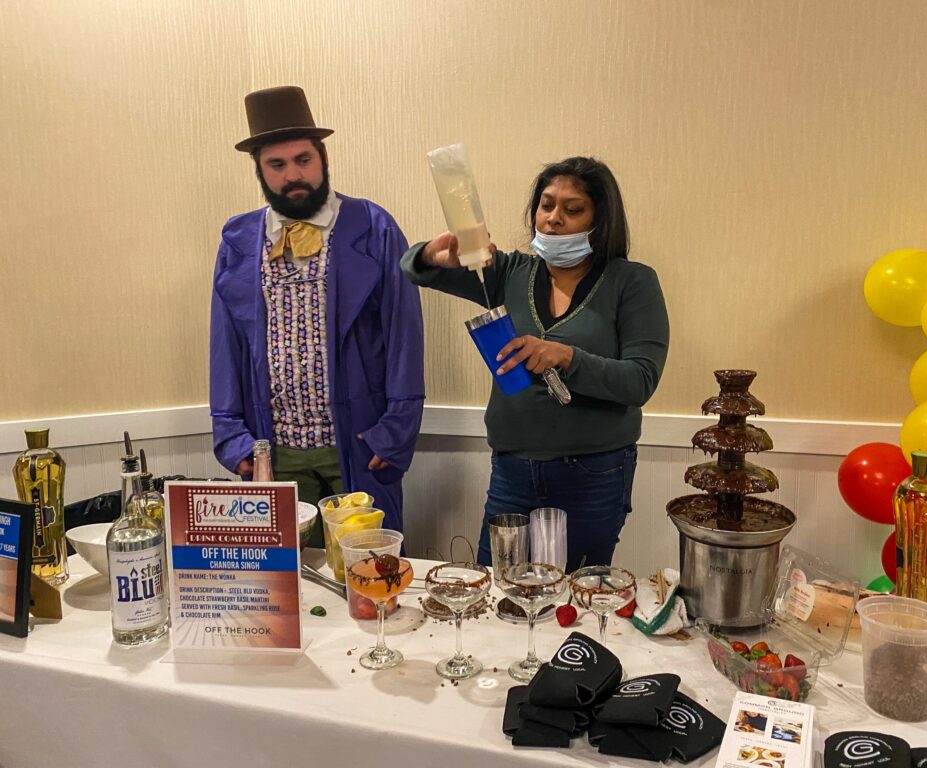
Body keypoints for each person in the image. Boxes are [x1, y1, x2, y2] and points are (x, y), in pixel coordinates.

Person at [402, 156, 669, 570]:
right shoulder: (510, 272)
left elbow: (640, 380)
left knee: (575, 591)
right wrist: (431, 257)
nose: (553, 219)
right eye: (546, 205)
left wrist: (567, 356)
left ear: (601, 220)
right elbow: (413, 269)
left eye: (572, 209)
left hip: (594, 475)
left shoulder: (632, 282)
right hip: (513, 470)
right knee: (499, 585)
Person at [210, 86, 424, 539]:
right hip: (272, 451)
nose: (293, 175)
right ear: (259, 170)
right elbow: (225, 344)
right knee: (282, 576)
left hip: (359, 443)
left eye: (303, 159)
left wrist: (395, 431)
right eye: (277, 164)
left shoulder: (373, 227)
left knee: (367, 570)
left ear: (323, 157)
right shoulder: (238, 240)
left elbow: (404, 334)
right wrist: (230, 433)